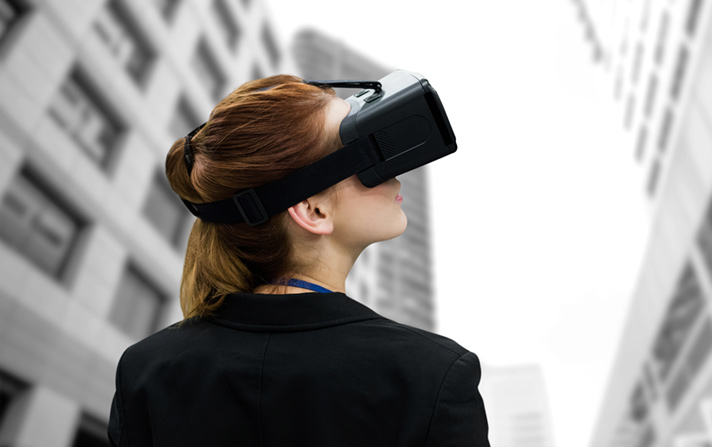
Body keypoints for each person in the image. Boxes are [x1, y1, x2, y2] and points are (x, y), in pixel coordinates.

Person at [107, 75, 490, 446]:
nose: (395, 173)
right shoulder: (431, 377)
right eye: (365, 149)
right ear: (313, 210)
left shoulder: (145, 372)